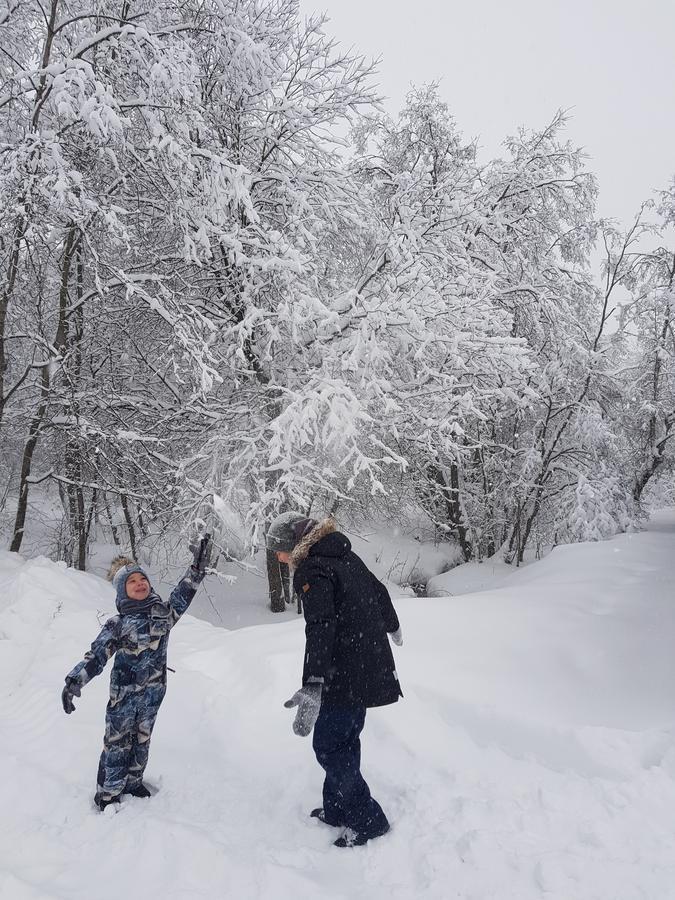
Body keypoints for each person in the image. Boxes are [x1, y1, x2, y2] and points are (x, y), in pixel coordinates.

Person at [267, 512, 403, 848]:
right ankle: (338, 808)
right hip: (366, 665)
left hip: (342, 672)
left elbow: (320, 627)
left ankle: (368, 821)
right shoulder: (341, 554)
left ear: (293, 545)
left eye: (279, 551)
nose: (280, 558)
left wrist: (313, 681)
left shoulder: (313, 568)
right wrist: (392, 624)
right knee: (345, 741)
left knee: (329, 747)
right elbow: (379, 590)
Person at [61, 534, 212, 810]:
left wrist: (197, 570)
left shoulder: (163, 616)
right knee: (117, 744)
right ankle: (107, 794)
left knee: (142, 741)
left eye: (142, 579)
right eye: (131, 581)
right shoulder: (118, 624)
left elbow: (183, 594)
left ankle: (133, 782)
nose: (140, 583)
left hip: (153, 696)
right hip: (124, 699)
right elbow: (96, 655)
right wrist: (74, 681)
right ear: (122, 591)